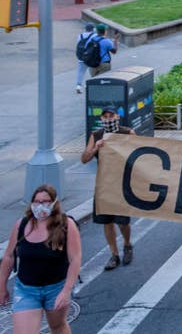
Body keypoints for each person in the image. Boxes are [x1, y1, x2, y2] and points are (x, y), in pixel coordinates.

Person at [0, 184, 81, 334]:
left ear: (54, 203)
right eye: (37, 201)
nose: (40, 206)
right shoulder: (21, 225)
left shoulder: (66, 225)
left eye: (45, 201)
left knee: (58, 327)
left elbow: (75, 260)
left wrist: (66, 291)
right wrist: (2, 286)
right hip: (26, 290)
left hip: (56, 288)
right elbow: (9, 256)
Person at [80, 106, 135, 270]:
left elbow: (139, 155)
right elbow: (84, 158)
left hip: (122, 183)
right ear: (101, 119)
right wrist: (96, 147)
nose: (108, 118)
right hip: (104, 184)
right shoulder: (96, 135)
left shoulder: (128, 133)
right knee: (107, 221)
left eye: (111, 115)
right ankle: (114, 254)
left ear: (117, 117)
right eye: (105, 116)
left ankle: (127, 244)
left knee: (123, 221)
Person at [74, 23, 95, 93]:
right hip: (91, 57)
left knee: (80, 72)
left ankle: (78, 85)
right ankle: (90, 85)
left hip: (82, 56)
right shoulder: (94, 35)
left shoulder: (80, 35)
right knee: (93, 72)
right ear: (93, 29)